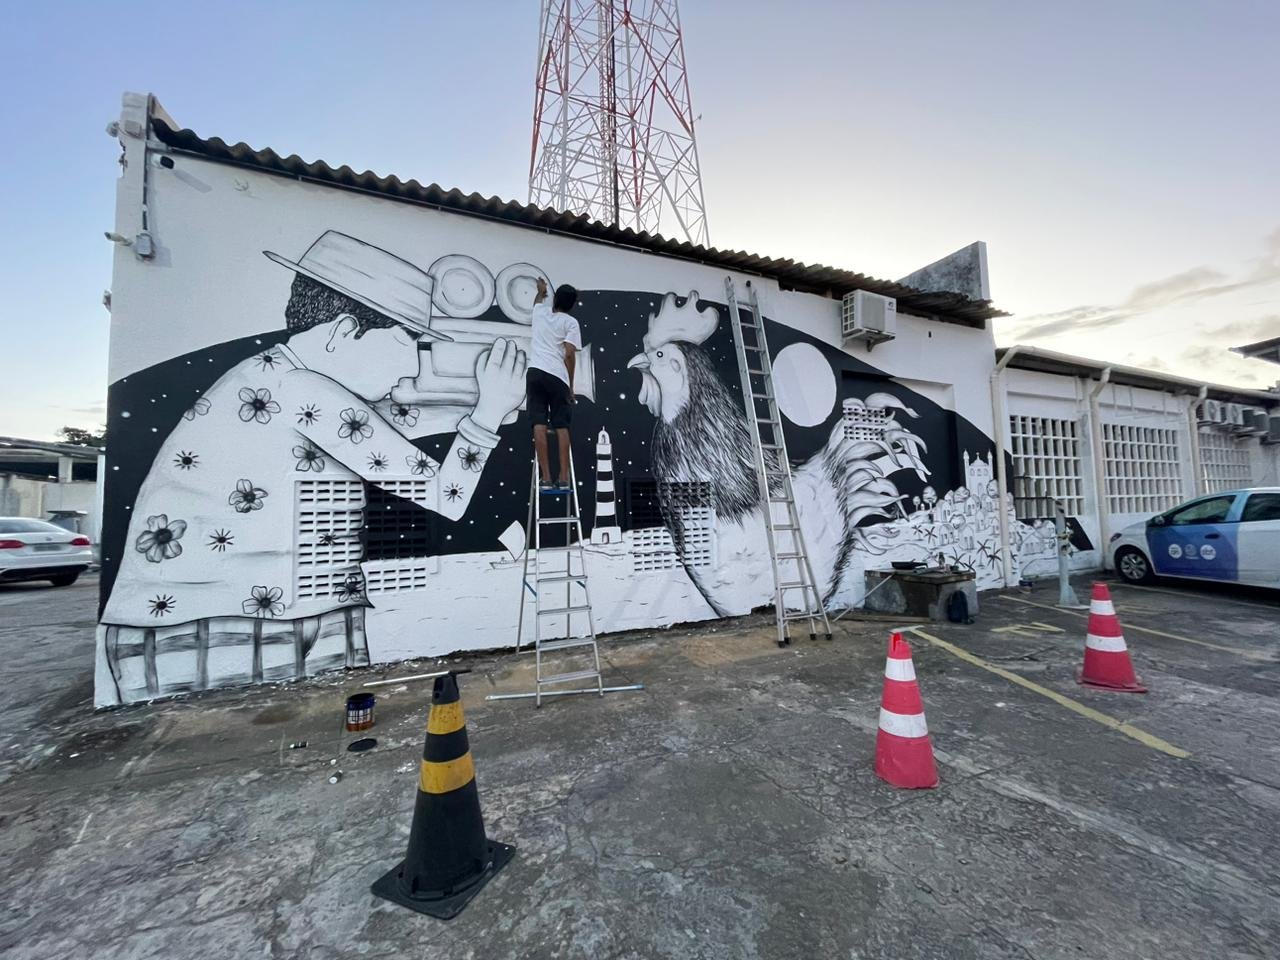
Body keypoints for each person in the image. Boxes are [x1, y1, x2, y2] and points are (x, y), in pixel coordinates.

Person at [99, 231, 527, 701]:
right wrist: (486, 417)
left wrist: (490, 409)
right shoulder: (304, 391)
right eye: (413, 343)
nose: (414, 369)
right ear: (345, 331)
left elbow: (394, 423)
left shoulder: (278, 377)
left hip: (239, 614)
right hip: (230, 622)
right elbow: (446, 495)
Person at [525, 278, 582, 492]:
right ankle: (564, 477)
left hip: (535, 373)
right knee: (561, 426)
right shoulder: (570, 323)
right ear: (572, 305)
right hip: (557, 377)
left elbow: (537, 301)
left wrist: (541, 291)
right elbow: (569, 353)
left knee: (538, 424)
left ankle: (546, 478)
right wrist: (571, 385)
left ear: (555, 300)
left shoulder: (540, 313)